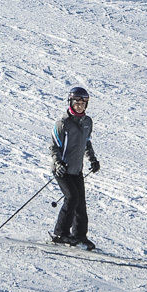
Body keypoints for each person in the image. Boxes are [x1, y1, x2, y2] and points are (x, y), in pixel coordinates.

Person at [49, 86, 101, 248]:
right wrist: (58, 163)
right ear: (70, 102)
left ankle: (79, 235)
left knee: (80, 203)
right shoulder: (62, 123)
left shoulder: (87, 122)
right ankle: (60, 233)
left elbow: (86, 142)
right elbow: (53, 147)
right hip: (62, 169)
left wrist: (93, 160)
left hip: (77, 169)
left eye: (83, 103)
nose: (79, 106)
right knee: (71, 198)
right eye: (76, 103)